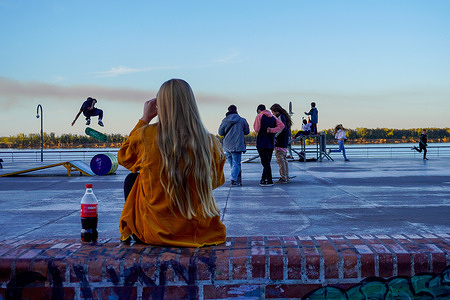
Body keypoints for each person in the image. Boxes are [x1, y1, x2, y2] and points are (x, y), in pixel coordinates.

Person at [117, 79, 227, 247]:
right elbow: (216, 181)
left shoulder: (145, 135)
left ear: (159, 105)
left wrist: (144, 119)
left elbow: (124, 158)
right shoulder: (210, 142)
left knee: (132, 179)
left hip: (153, 233)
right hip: (201, 233)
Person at [218, 105, 250, 187]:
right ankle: (234, 180)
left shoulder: (224, 121)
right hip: (237, 145)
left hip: (227, 145)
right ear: (236, 110)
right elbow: (247, 132)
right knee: (237, 164)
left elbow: (220, 133)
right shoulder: (242, 120)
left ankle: (236, 177)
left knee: (233, 164)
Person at [253, 104, 285, 187]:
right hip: (270, 142)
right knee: (267, 162)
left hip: (261, 141)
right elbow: (282, 125)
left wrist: (265, 129)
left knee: (265, 162)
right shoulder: (273, 117)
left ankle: (269, 180)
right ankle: (263, 180)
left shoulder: (259, 116)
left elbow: (256, 129)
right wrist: (272, 130)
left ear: (259, 110)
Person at [270, 103, 293, 184]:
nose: (272, 114)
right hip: (284, 141)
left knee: (280, 159)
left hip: (280, 141)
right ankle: (286, 176)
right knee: (284, 159)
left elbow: (280, 129)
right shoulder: (285, 117)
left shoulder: (279, 117)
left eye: (272, 112)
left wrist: (274, 137)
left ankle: (283, 177)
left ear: (276, 111)